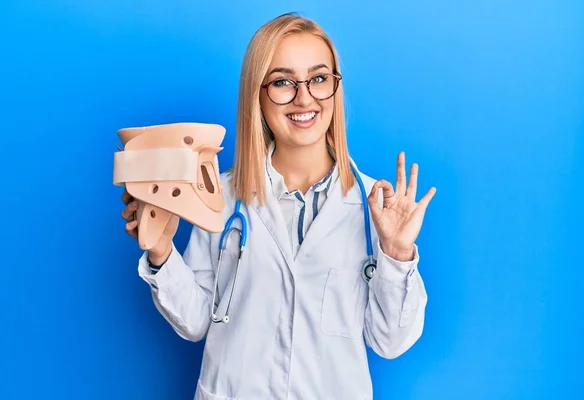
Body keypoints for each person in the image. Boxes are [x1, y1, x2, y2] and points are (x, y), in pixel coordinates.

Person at [121, 12, 436, 400]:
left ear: (335, 89)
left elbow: (391, 342)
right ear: (258, 93)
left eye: (319, 79)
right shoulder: (218, 196)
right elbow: (196, 322)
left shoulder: (375, 208)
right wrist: (161, 252)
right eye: (284, 82)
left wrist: (398, 253)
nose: (305, 98)